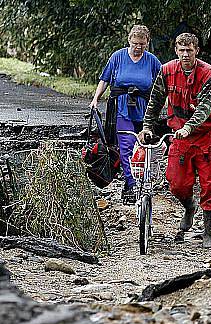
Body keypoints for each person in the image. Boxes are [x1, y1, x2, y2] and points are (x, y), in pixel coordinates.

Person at [139, 32, 211, 247]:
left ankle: (208, 234)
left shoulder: (208, 73)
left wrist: (189, 127)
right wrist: (147, 126)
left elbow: (205, 106)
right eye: (181, 50)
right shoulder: (166, 71)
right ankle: (189, 207)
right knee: (176, 184)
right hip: (180, 139)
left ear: (197, 51)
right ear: (176, 51)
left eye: (190, 50)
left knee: (210, 187)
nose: (186, 54)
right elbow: (156, 100)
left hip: (206, 138)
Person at [90, 25, 161, 204]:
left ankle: (144, 181)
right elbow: (104, 79)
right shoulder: (118, 57)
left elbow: (163, 82)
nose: (138, 47)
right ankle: (131, 185)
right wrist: (95, 99)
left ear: (147, 43)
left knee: (144, 145)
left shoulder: (152, 61)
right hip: (122, 107)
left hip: (144, 108)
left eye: (142, 44)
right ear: (129, 40)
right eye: (135, 43)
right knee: (127, 145)